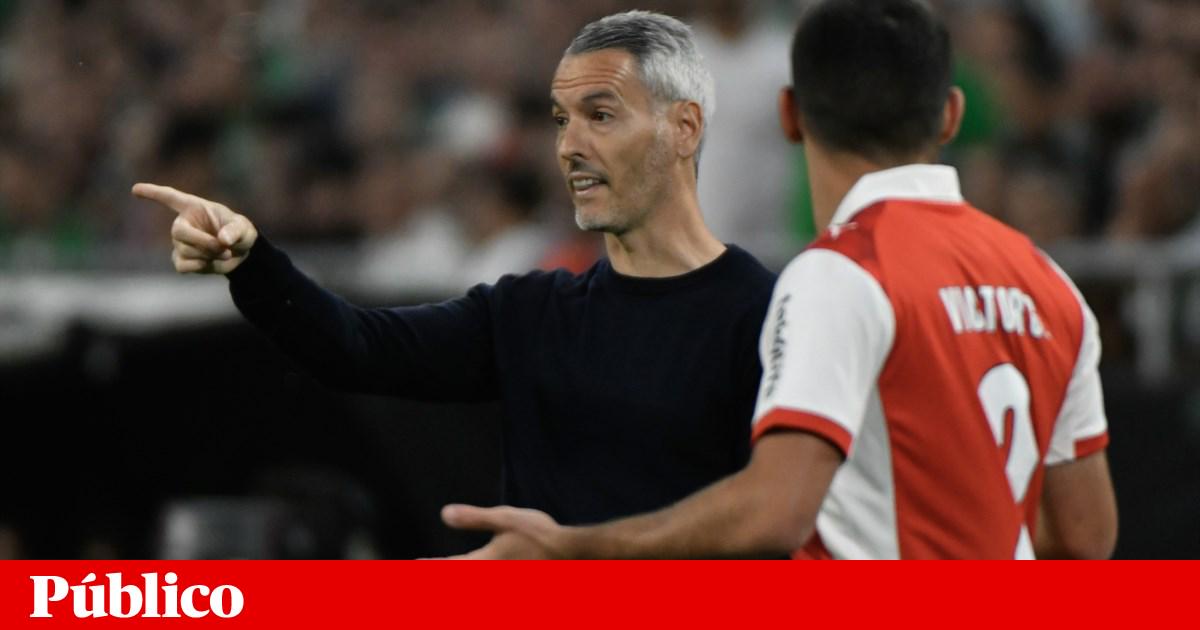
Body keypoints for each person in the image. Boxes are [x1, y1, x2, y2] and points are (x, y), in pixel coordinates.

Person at [441, 0, 1118, 559]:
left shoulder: (843, 274)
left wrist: (576, 546)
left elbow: (775, 511)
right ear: (950, 115)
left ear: (790, 114)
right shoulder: (1049, 283)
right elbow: (1087, 536)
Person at [131, 11, 776, 531]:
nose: (569, 146)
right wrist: (251, 263)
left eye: (600, 116)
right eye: (561, 121)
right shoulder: (528, 312)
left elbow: (775, 523)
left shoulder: (766, 314)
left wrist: (581, 556)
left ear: (683, 128)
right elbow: (356, 346)